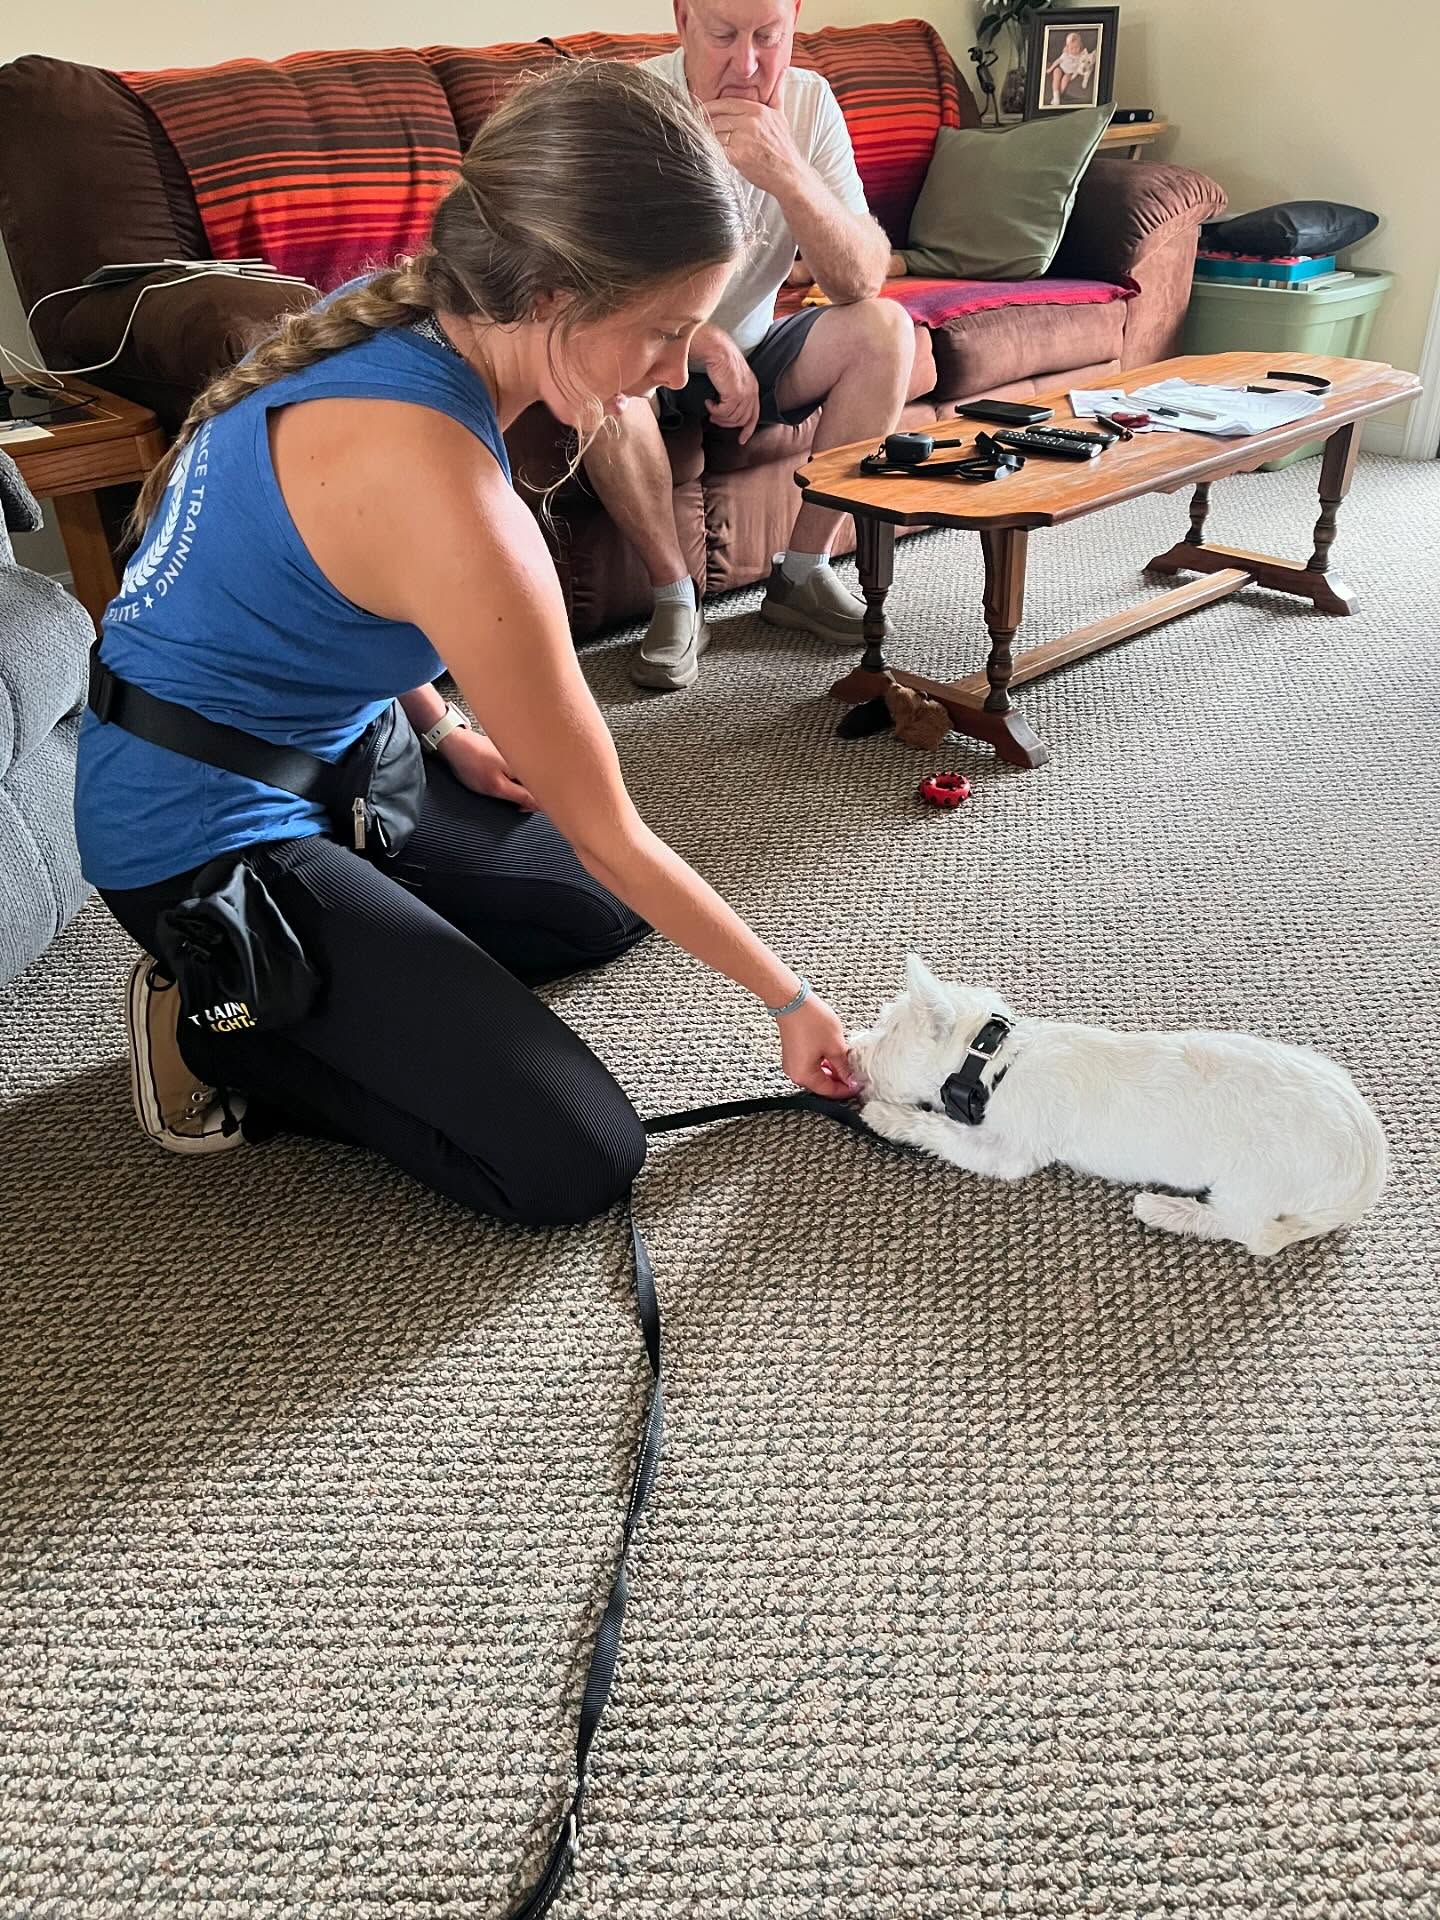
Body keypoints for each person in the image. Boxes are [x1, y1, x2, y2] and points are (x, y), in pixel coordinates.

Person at [74, 61, 858, 1231]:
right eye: (663, 330)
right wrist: (793, 1003)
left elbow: (336, 587)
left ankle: (358, 945)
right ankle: (211, 1016)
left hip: (343, 749)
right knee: (575, 1153)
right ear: (550, 295)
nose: (677, 370)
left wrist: (441, 720)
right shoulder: (447, 492)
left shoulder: (424, 315)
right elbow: (615, 830)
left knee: (595, 913)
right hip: (193, 832)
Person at [582, 0, 934, 692]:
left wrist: (788, 173)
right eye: (722, 36)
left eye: (768, 37)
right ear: (682, 19)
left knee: (886, 330)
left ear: (794, 20)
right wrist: (700, 337)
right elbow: (596, 285)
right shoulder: (632, 107)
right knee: (602, 389)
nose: (746, 65)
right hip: (643, 353)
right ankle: (674, 598)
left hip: (758, 347)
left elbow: (860, 275)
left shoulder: (809, 102)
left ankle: (802, 573)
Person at [1046, 30, 1097, 107]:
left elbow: (1088, 58)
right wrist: (1050, 69)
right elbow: (1058, 61)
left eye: (1077, 47)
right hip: (1061, 68)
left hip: (1069, 73)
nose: (1074, 50)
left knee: (1065, 80)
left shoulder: (1082, 55)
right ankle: (1055, 94)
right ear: (1067, 47)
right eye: (1071, 47)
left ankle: (1058, 96)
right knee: (1056, 74)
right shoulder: (1066, 53)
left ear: (1080, 46)